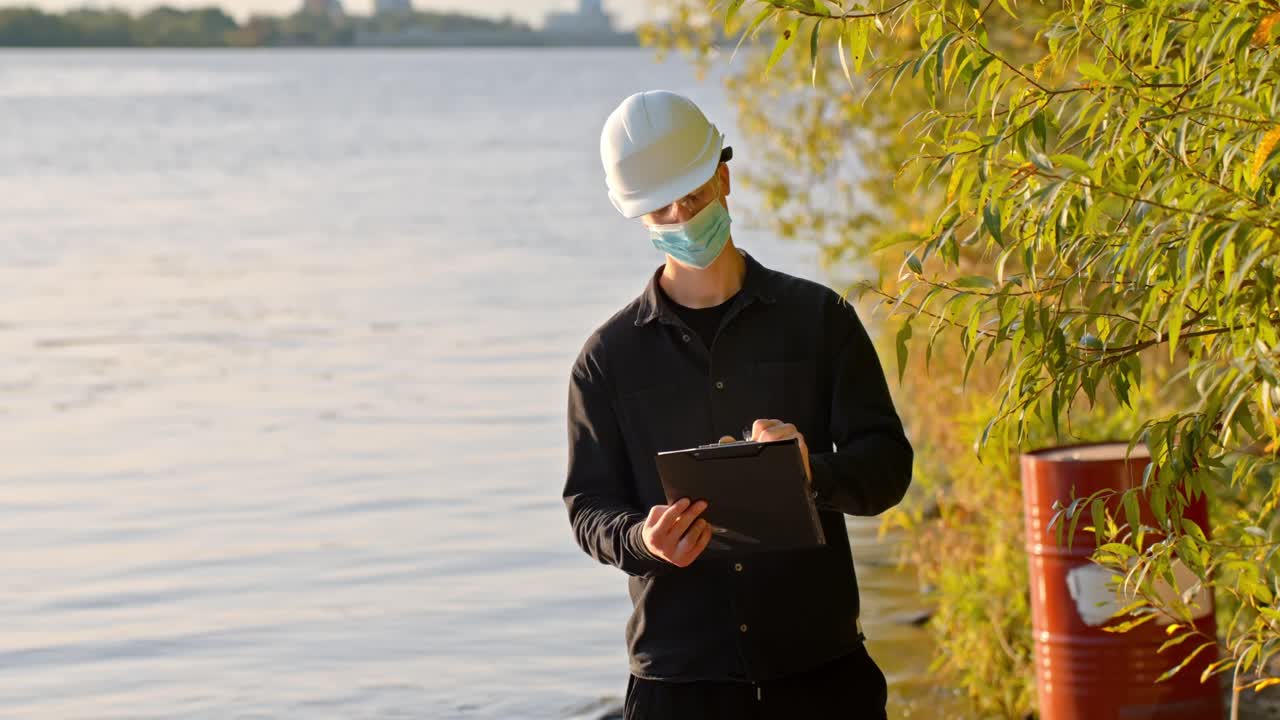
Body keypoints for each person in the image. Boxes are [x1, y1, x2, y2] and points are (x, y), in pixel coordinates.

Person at [562, 89, 914, 720]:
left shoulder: (820, 320)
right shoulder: (605, 360)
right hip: (677, 684)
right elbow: (587, 508)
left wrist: (813, 471)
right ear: (638, 217)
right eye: (661, 209)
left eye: (692, 196)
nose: (681, 217)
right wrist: (644, 540)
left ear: (723, 176)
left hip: (822, 675)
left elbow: (889, 467)